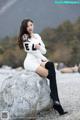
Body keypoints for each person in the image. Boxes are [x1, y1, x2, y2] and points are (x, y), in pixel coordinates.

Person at [17, 18, 68, 115]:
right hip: (30, 62)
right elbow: (30, 49)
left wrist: (39, 47)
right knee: (51, 75)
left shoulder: (37, 36)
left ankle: (55, 101)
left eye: (31, 25)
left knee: (51, 65)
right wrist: (37, 48)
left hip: (38, 59)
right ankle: (56, 101)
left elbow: (44, 50)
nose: (30, 27)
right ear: (24, 28)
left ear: (33, 25)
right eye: (27, 26)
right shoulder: (24, 37)